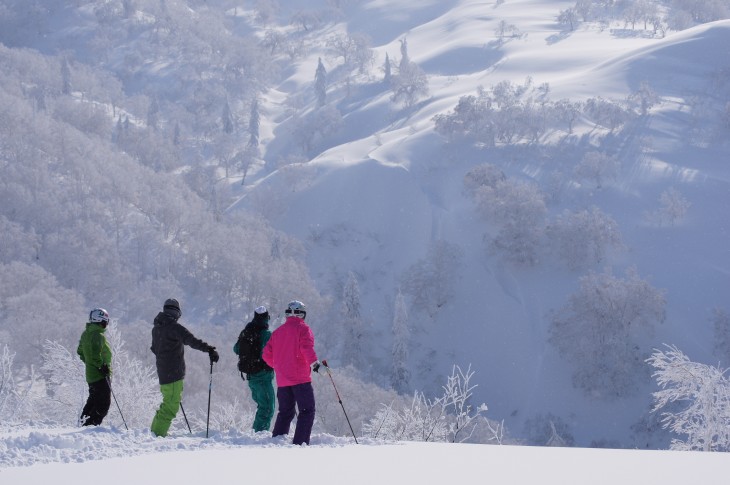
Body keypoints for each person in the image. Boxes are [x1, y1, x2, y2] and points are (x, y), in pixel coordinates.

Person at [150, 298, 219, 437]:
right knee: (171, 406)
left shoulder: (156, 328)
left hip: (163, 372)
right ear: (176, 313)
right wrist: (209, 349)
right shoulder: (174, 327)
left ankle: (154, 433)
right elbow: (191, 340)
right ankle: (157, 435)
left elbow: (154, 349)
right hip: (173, 373)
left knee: (167, 403)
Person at [262, 300, 321, 445]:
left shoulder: (277, 332)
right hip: (300, 379)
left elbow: (266, 355)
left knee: (285, 412)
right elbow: (306, 348)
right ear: (303, 314)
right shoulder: (303, 329)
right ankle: (300, 444)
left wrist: (279, 366)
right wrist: (315, 364)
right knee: (307, 411)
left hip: (283, 380)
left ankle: (277, 441)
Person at [233, 305, 275, 432]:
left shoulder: (247, 331)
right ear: (267, 318)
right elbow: (268, 354)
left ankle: (258, 434)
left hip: (251, 377)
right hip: (263, 377)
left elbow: (236, 349)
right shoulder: (266, 334)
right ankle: (259, 436)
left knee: (262, 406)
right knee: (267, 407)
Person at [77, 308, 113, 426]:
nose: (106, 324)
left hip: (91, 375)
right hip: (100, 375)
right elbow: (95, 354)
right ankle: (90, 426)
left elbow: (80, 351)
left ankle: (83, 423)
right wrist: (101, 366)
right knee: (103, 405)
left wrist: (89, 363)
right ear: (101, 321)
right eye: (106, 321)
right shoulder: (98, 335)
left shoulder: (86, 334)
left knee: (93, 400)